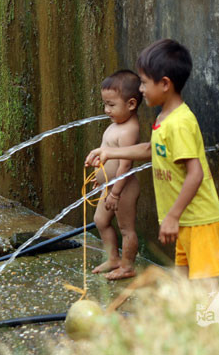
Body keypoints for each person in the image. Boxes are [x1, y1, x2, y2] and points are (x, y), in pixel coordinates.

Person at [86, 39, 219, 281]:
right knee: (183, 278)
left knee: (204, 283)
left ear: (165, 84)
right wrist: (109, 153)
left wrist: (172, 216)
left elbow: (196, 173)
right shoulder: (166, 118)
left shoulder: (179, 123)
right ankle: (186, 318)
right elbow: (151, 149)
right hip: (186, 219)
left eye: (145, 83)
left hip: (197, 218)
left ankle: (209, 319)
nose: (140, 90)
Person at [90, 70, 142, 280]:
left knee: (126, 227)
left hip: (124, 188)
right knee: (100, 220)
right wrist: (100, 177)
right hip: (110, 186)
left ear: (131, 104)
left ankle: (128, 266)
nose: (106, 110)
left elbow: (125, 164)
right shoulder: (116, 125)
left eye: (112, 105)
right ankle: (113, 258)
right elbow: (108, 156)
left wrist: (116, 193)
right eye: (105, 104)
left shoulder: (129, 129)